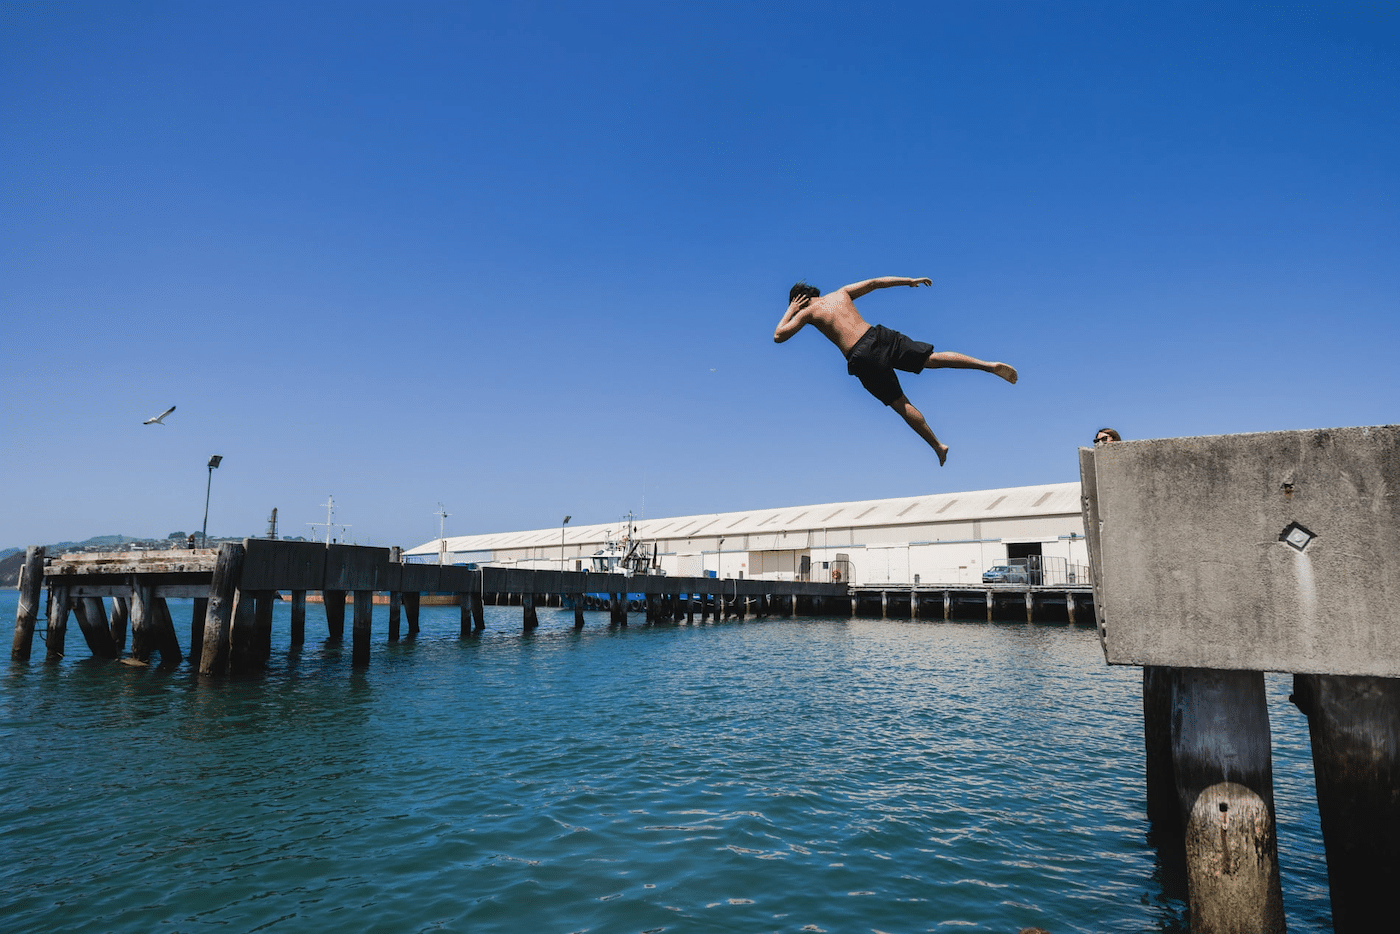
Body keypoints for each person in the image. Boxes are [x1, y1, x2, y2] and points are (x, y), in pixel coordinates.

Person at [774, 276, 1017, 466]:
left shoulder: (807, 313)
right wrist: (909, 281)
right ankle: (987, 366)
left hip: (862, 356)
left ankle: (937, 446)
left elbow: (778, 336)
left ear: (799, 300)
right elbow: (875, 283)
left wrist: (791, 310)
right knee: (931, 359)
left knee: (900, 403)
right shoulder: (841, 293)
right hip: (878, 335)